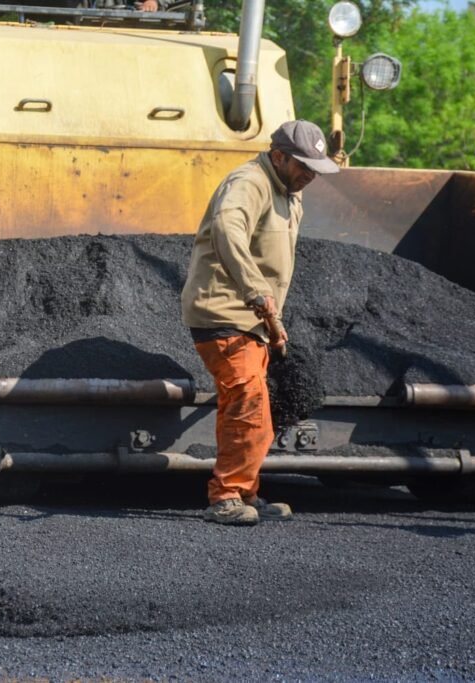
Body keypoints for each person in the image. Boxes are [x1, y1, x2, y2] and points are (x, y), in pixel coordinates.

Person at [180, 120, 339, 526]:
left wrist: (273, 320)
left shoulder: (291, 194)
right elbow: (227, 228)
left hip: (256, 319)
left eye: (315, 169)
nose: (310, 176)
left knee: (259, 413)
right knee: (246, 402)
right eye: (303, 166)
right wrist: (254, 291)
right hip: (224, 313)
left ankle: (247, 491)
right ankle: (226, 497)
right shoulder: (249, 183)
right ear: (279, 156)